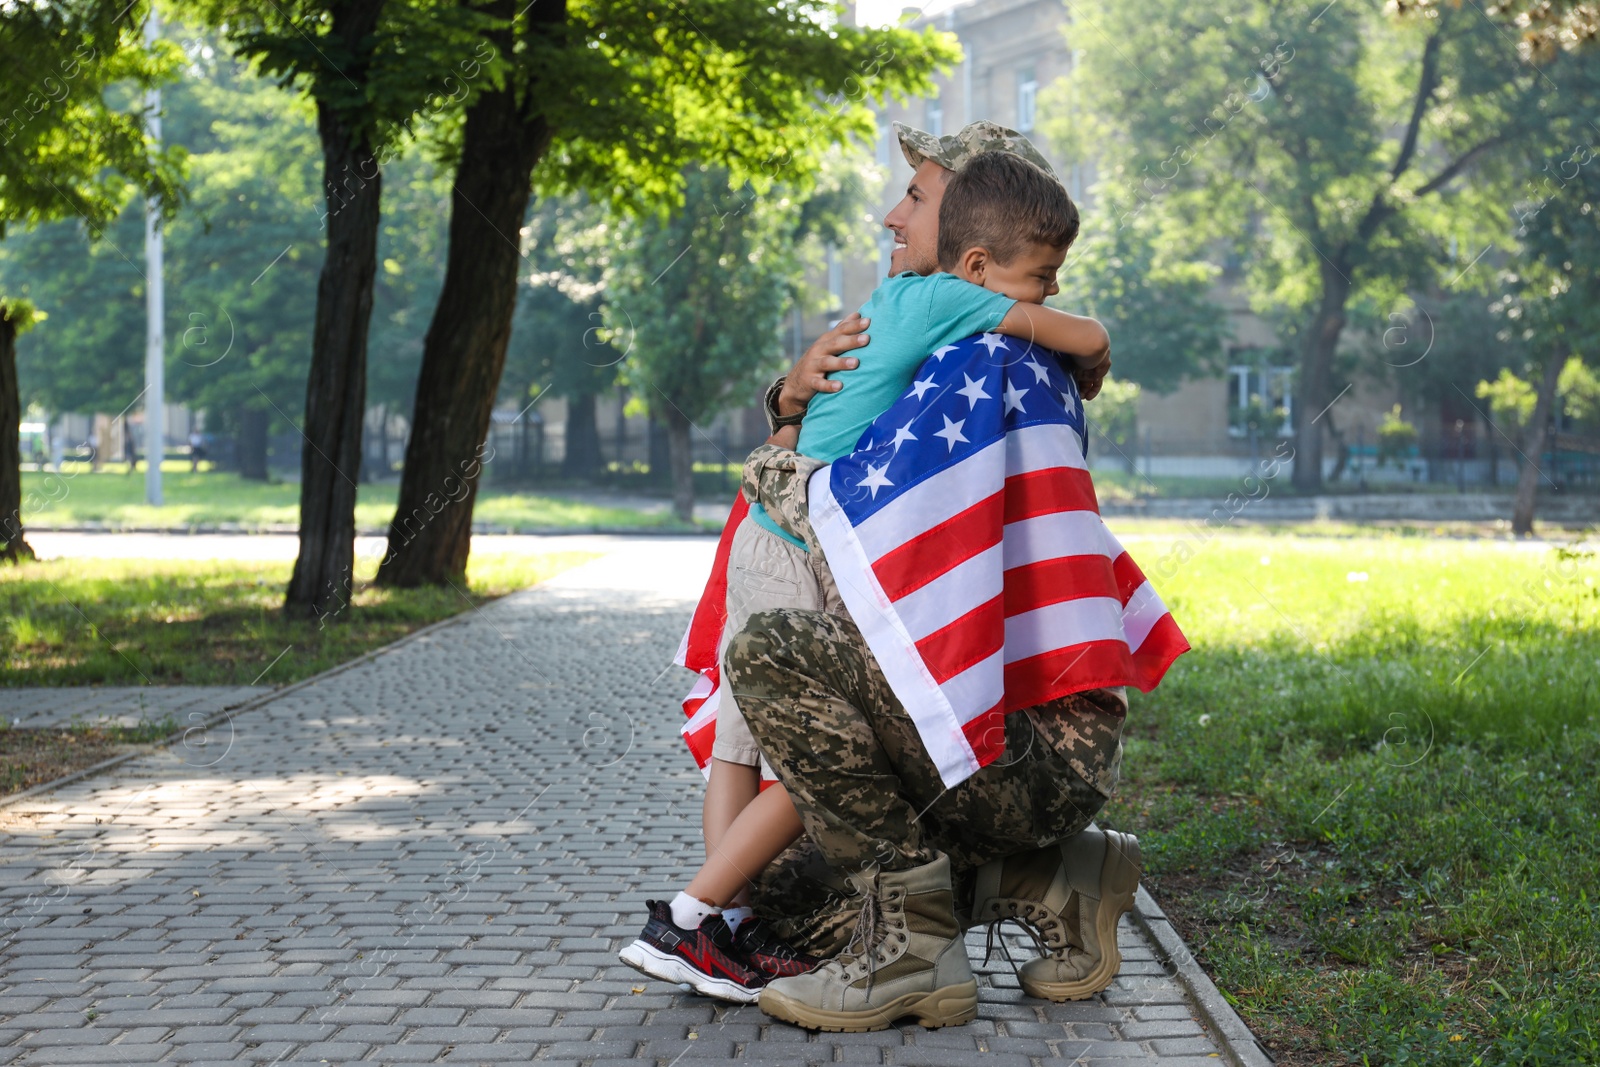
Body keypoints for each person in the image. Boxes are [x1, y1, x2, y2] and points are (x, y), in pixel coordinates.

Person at [621, 128, 1117, 1005]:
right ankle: (726, 912)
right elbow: (1070, 336)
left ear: (974, 235)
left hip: (997, 725)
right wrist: (787, 400)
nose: (894, 212)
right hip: (800, 535)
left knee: (772, 707)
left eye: (918, 196)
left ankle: (768, 922)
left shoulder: (971, 345)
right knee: (781, 847)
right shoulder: (937, 311)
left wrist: (784, 423)